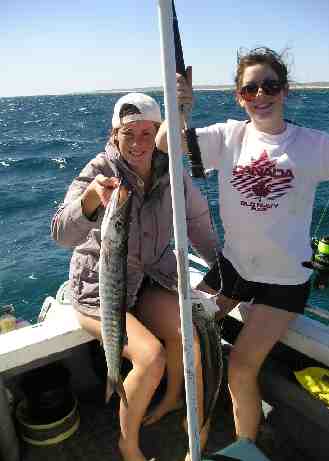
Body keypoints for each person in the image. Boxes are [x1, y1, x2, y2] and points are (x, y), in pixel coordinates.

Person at [156, 47, 329, 444]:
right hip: (233, 267)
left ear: (286, 90)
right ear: (238, 96)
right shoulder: (227, 137)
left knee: (242, 368)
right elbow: (164, 145)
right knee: (186, 339)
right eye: (250, 89)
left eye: (270, 85)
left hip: (284, 281)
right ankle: (198, 434)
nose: (261, 95)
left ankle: (245, 448)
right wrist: (176, 107)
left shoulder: (315, 145)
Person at [51, 92, 219, 461]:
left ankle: (175, 400)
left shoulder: (170, 171)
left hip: (149, 280)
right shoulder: (97, 171)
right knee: (150, 356)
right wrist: (91, 200)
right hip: (100, 290)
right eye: (129, 133)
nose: (139, 142)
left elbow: (197, 224)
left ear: (160, 133)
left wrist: (222, 267)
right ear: (114, 135)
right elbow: (61, 233)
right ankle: (127, 445)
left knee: (187, 335)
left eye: (149, 132)